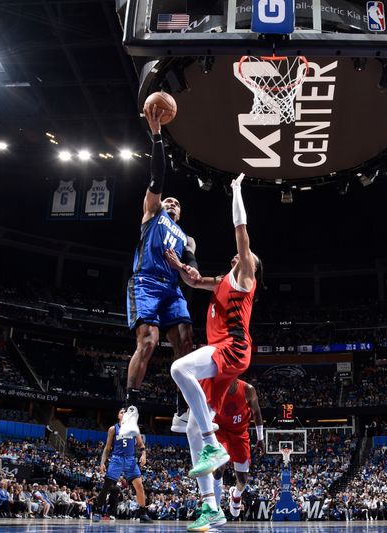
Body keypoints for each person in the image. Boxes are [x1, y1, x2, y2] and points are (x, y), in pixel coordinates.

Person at [166, 174, 263, 532]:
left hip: (233, 349)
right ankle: (212, 508)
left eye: (248, 256)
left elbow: (241, 230)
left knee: (179, 369)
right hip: (220, 361)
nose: (242, 255)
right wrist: (180, 268)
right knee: (193, 425)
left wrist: (236, 191)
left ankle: (213, 444)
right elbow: (194, 281)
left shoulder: (244, 279)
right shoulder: (222, 280)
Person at [121, 103, 198, 439]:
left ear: (180, 213)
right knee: (149, 342)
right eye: (168, 200)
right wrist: (157, 136)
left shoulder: (187, 238)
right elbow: (157, 177)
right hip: (147, 283)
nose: (171, 203)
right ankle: (130, 406)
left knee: (186, 343)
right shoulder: (152, 215)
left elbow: (192, 275)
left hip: (172, 289)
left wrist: (182, 265)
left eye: (176, 204)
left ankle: (182, 410)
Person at [210, 378, 264, 518]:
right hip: (220, 431)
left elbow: (256, 412)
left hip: (240, 434)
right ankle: (214, 509)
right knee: (218, 468)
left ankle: (236, 494)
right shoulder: (215, 387)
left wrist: (260, 438)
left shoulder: (248, 389)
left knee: (243, 479)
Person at [96, 408, 152, 523]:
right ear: (118, 415)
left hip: (130, 460)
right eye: (122, 412)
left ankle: (143, 514)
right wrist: (102, 462)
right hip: (117, 459)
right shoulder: (113, 429)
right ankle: (97, 510)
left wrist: (143, 454)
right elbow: (107, 448)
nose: (124, 414)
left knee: (139, 486)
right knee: (107, 485)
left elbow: (141, 444)